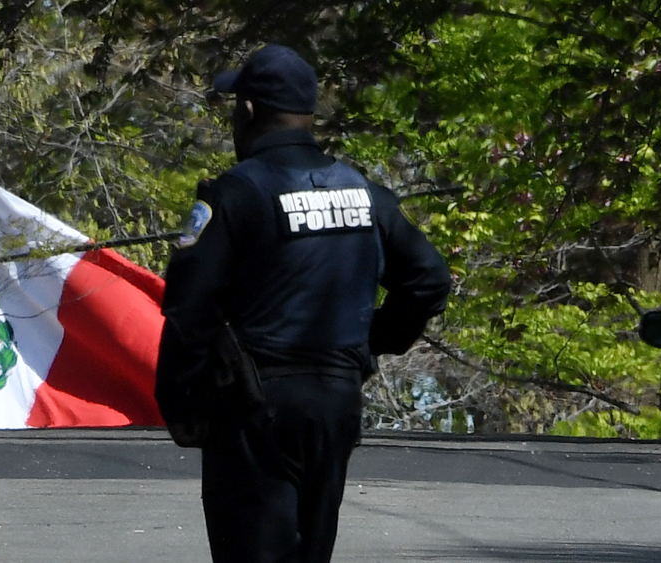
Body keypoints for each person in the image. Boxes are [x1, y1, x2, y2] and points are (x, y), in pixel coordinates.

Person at [155, 44, 452, 563]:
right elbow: (429, 280)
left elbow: (187, 307)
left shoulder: (234, 194)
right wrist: (368, 345)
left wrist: (178, 403)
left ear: (247, 111)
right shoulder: (363, 193)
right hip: (335, 404)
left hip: (256, 408)